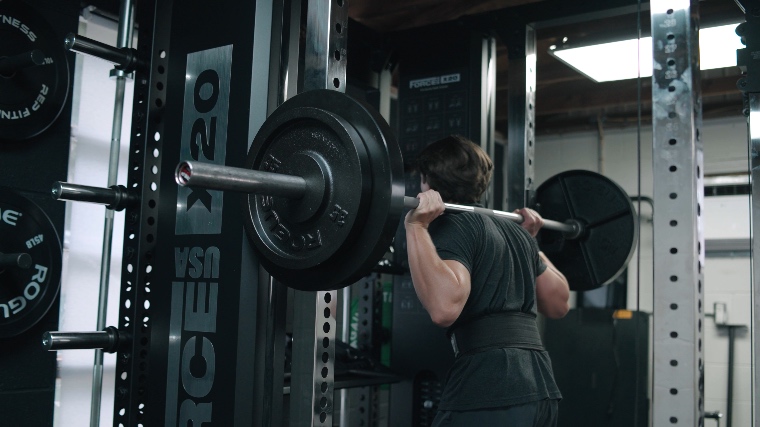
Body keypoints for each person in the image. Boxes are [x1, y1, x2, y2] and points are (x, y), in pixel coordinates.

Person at [404, 134, 570, 426]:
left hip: (491, 388)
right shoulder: (518, 234)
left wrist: (416, 225)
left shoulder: (453, 225)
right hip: (540, 388)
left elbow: (444, 308)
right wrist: (531, 244)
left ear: (427, 181)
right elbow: (559, 303)